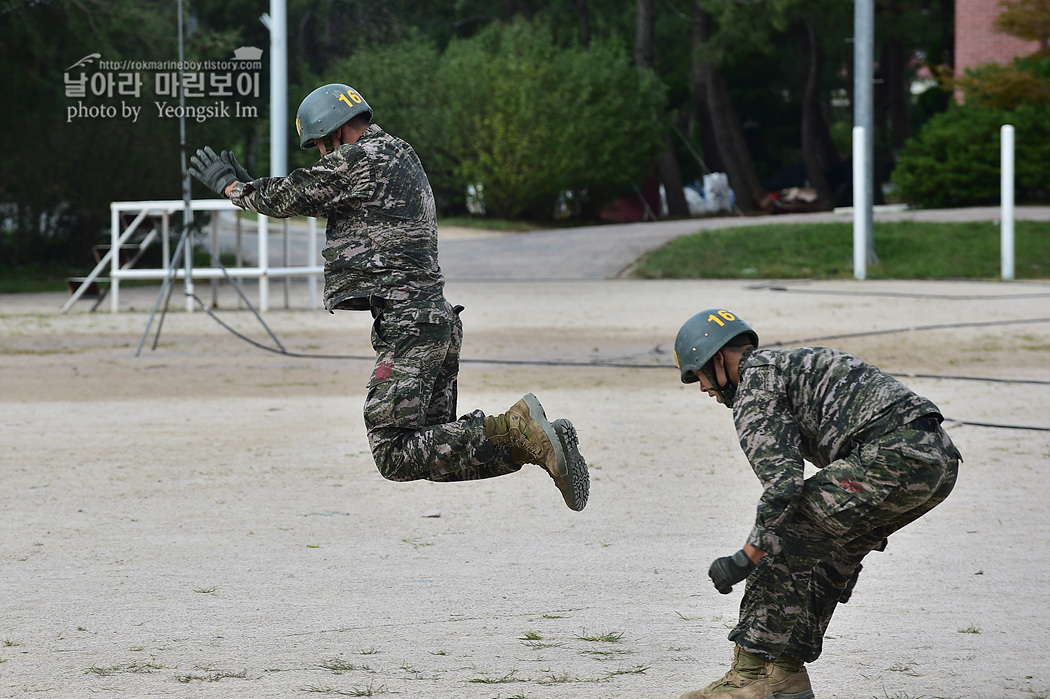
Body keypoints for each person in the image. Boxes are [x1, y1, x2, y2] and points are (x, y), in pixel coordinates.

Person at [188, 83, 588, 511]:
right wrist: (258, 188)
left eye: (320, 148)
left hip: (410, 324)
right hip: (435, 321)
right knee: (433, 452)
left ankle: (519, 427)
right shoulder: (397, 154)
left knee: (394, 452)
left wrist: (234, 188)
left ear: (336, 134)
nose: (323, 158)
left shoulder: (360, 158)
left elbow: (294, 193)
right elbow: (315, 195)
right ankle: (532, 444)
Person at [672, 308, 961, 699]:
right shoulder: (789, 364)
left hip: (891, 456)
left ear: (718, 360)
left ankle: (746, 678)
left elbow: (782, 486)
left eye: (700, 376)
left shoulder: (755, 388)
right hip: (938, 461)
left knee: (783, 539)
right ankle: (786, 673)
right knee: (830, 553)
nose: (704, 388)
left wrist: (747, 555)